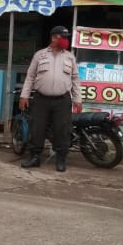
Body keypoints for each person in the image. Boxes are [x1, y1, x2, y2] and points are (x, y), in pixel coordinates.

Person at [18, 26, 82, 172]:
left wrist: (78, 99)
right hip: (41, 99)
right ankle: (34, 157)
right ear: (54, 38)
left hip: (62, 100)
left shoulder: (70, 56)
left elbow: (75, 79)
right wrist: (24, 95)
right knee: (37, 128)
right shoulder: (39, 55)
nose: (66, 40)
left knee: (62, 130)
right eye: (63, 37)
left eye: (67, 37)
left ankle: (60, 159)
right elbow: (30, 76)